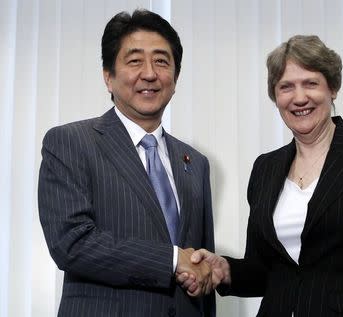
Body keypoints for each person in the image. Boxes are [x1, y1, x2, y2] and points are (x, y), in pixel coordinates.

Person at [179, 35, 343, 316]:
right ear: (275, 96)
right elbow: (264, 271)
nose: (299, 98)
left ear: (332, 88)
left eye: (311, 83)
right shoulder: (265, 168)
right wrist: (225, 269)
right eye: (286, 87)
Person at [38, 9, 216, 317]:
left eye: (162, 61)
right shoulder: (70, 143)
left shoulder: (195, 163)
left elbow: (200, 264)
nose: (149, 73)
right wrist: (172, 260)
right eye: (134, 61)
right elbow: (72, 243)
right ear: (108, 76)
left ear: (175, 78)